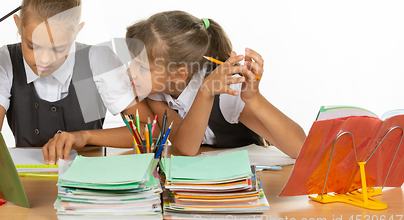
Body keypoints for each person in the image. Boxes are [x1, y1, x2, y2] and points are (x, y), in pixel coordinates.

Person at [0, 0, 150, 162]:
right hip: (27, 186)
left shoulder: (98, 60)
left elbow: (150, 131)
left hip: (86, 187)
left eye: (58, 49)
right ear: (18, 25)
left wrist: (85, 136)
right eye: (32, 46)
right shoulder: (5, 60)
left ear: (76, 32)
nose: (44, 60)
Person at [125, 10, 306, 157]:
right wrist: (205, 93)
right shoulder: (156, 94)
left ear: (179, 74)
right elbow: (187, 147)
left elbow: (300, 149)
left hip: (247, 185)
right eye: (132, 61)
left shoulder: (227, 92)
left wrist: (254, 98)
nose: (129, 72)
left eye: (142, 67)